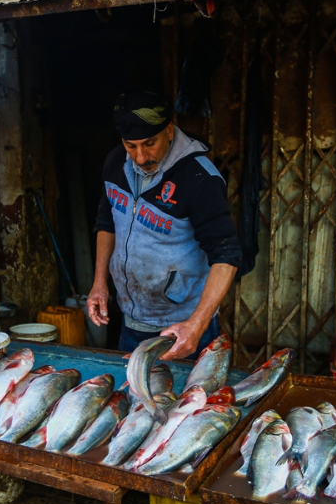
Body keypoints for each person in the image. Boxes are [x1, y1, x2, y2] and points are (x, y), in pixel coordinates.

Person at [87, 92, 241, 361]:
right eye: (130, 145)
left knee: (187, 402)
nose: (140, 157)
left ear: (169, 131)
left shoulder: (199, 178)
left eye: (149, 144)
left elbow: (226, 255)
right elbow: (107, 221)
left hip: (182, 331)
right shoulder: (115, 163)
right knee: (133, 399)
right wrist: (100, 282)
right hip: (132, 321)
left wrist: (197, 325)